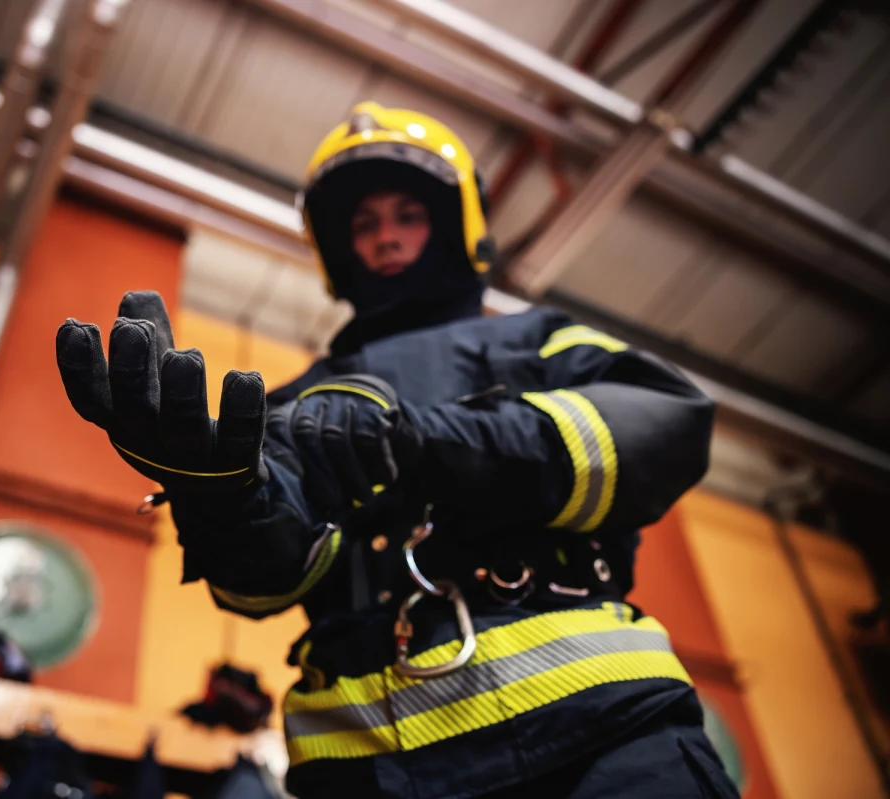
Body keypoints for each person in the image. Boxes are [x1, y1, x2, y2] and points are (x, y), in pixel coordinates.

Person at [56, 102, 737, 799]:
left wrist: (426, 440)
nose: (386, 237)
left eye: (407, 214)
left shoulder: (539, 339)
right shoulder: (295, 400)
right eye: (364, 222)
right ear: (336, 247)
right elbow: (256, 586)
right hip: (369, 767)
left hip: (601, 731)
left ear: (454, 224)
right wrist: (220, 500)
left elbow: (664, 425)